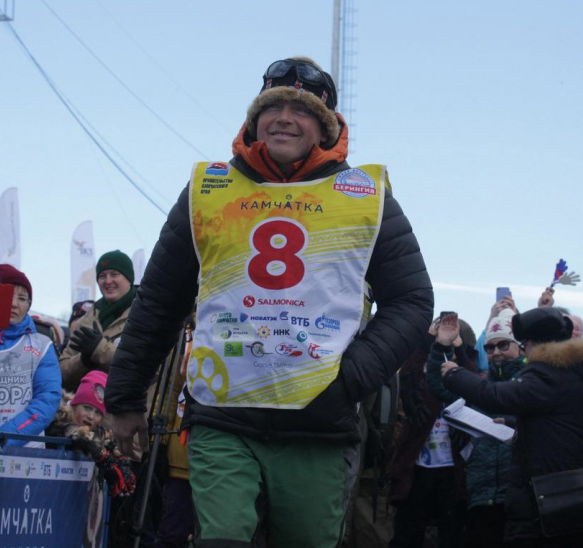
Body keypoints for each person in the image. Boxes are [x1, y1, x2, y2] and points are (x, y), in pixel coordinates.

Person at [105, 56, 433, 547]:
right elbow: (159, 300)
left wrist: (352, 378)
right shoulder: (209, 189)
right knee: (223, 538)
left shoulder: (364, 194)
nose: (284, 117)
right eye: (272, 106)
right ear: (254, 119)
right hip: (223, 414)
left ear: (325, 126)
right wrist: (126, 396)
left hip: (318, 421)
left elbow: (412, 299)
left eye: (301, 110)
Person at [440, 307, 583, 547]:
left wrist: (454, 374)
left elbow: (494, 395)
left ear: (535, 344)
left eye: (525, 344)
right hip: (573, 495)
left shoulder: (551, 375)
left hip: (548, 499)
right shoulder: (577, 374)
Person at [429, 308, 524, 548]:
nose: (496, 353)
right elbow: (437, 385)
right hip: (481, 495)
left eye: (504, 345)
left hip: (520, 498)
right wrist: (441, 346)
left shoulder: (532, 381)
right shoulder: (479, 382)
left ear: (520, 347)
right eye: (490, 348)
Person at [389, 315, 475, 548]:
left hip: (453, 470)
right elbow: (407, 371)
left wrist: (460, 349)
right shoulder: (418, 375)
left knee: (452, 534)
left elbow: (476, 378)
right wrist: (429, 340)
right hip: (416, 470)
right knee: (408, 533)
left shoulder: (465, 374)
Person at [0, 265, 61, 447]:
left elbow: (47, 401)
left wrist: (1, 438)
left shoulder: (42, 345)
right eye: (8, 294)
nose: (15, 304)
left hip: (27, 457)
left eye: (23, 298)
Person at [47, 370, 136, 497]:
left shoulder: (98, 433)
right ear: (74, 405)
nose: (91, 416)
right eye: (87, 408)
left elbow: (127, 480)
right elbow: (76, 434)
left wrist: (120, 461)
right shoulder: (57, 419)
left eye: (98, 413)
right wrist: (103, 456)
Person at [61, 251, 137, 392]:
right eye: (102, 276)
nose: (108, 281)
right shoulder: (85, 322)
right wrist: (83, 361)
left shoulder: (145, 314)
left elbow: (145, 366)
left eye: (114, 274)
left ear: (129, 278)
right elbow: (62, 373)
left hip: (130, 409)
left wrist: (100, 349)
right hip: (90, 411)